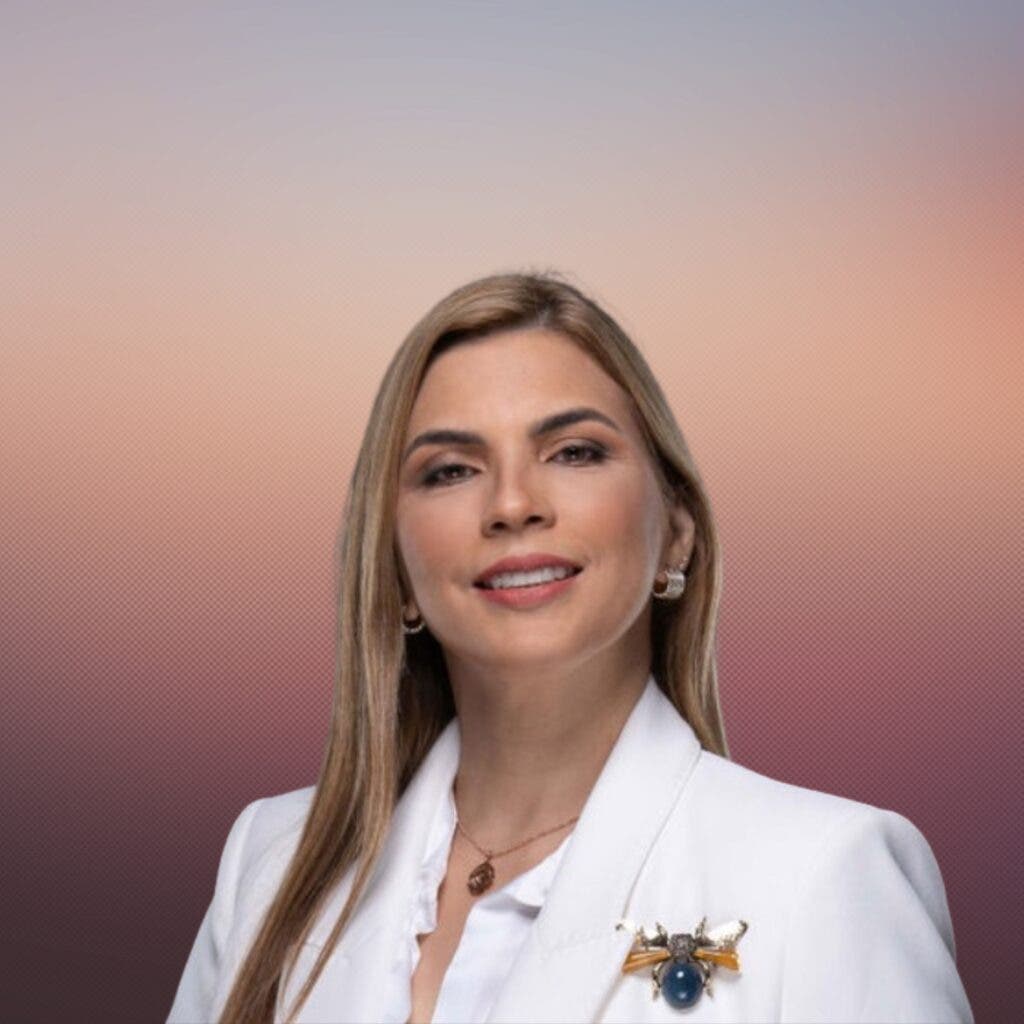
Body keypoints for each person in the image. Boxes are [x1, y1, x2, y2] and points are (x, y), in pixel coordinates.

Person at [167, 271, 973, 1024]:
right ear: (397, 571)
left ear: (677, 533)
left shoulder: (824, 874)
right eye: (451, 470)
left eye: (574, 452)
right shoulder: (270, 864)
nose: (513, 503)